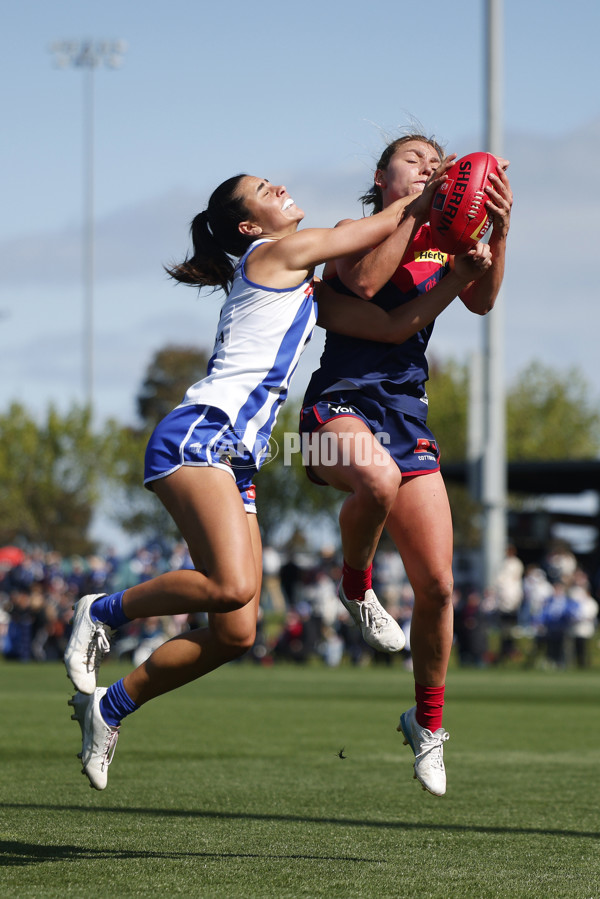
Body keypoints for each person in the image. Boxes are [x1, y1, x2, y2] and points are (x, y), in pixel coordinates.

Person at [64, 167, 493, 790]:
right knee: (229, 582)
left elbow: (392, 327)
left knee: (237, 629)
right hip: (200, 434)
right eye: (264, 191)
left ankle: (110, 707)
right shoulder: (276, 252)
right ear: (249, 227)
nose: (280, 189)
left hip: (235, 457)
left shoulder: (301, 284)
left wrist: (458, 278)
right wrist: (427, 200)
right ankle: (101, 611)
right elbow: (374, 230)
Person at [299, 133, 513, 795]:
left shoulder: (438, 239)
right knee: (377, 478)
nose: (429, 165)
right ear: (381, 173)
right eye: (414, 157)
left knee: (441, 588)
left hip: (406, 414)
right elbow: (364, 283)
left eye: (436, 162)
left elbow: (482, 300)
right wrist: (422, 212)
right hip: (335, 409)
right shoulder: (349, 232)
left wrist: (496, 235)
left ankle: (427, 725)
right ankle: (356, 583)